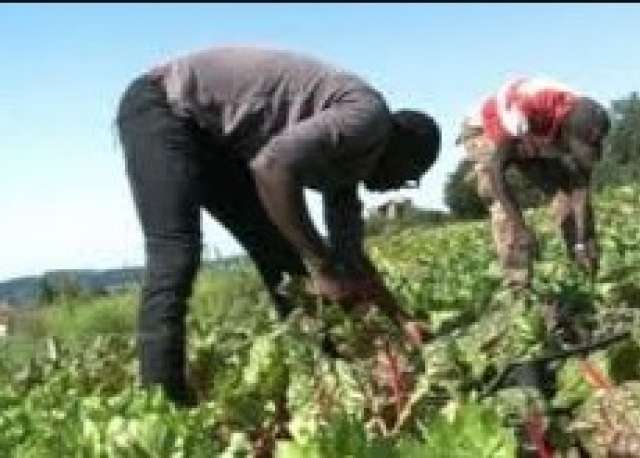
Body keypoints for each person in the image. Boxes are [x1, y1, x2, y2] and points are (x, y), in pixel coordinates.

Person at [115, 46, 441, 405]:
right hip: (164, 105)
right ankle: (162, 401)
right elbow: (273, 167)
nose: (401, 186)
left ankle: (331, 376)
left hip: (216, 139)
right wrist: (320, 265)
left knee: (282, 257)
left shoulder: (349, 170)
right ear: (402, 146)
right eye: (411, 176)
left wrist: (400, 318)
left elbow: (351, 260)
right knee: (176, 251)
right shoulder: (366, 117)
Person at [455, 76, 610, 291]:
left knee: (566, 196)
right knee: (504, 210)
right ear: (567, 131)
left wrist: (582, 241)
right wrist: (521, 226)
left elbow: (580, 186)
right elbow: (496, 171)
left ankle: (586, 272)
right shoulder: (524, 108)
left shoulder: (583, 116)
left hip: (531, 132)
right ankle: (519, 289)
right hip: (486, 129)